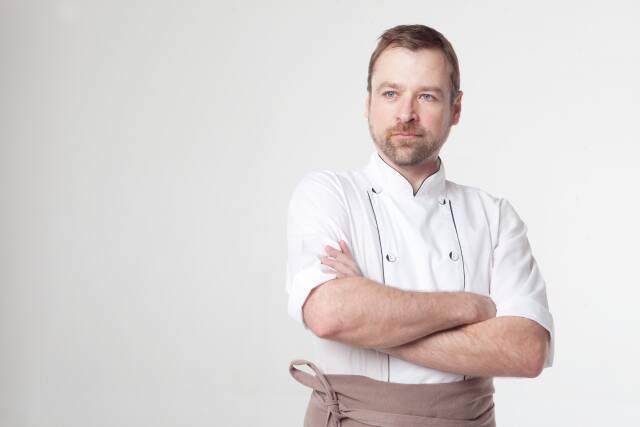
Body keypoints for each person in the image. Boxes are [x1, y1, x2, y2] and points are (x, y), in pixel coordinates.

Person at [285, 24, 554, 427]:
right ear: (368, 102)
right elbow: (329, 315)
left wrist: (371, 323)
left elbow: (526, 352)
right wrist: (470, 306)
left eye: (427, 96)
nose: (405, 114)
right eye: (390, 93)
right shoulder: (328, 194)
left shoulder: (494, 216)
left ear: (456, 109)